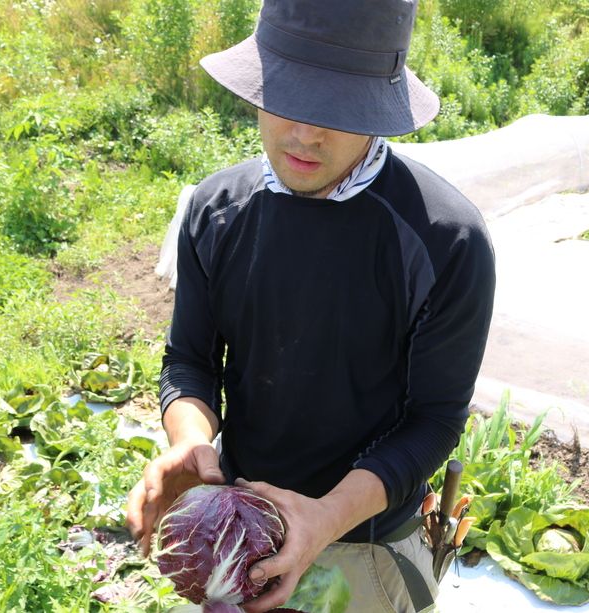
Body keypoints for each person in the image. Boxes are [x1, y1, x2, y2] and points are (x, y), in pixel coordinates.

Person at [126, 1, 496, 611]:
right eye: (286, 96)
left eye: (336, 109)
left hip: (369, 540)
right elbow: (190, 360)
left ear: (378, 109)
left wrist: (325, 517)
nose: (304, 133)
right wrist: (189, 440)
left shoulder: (444, 239)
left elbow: (433, 420)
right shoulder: (215, 210)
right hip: (238, 529)